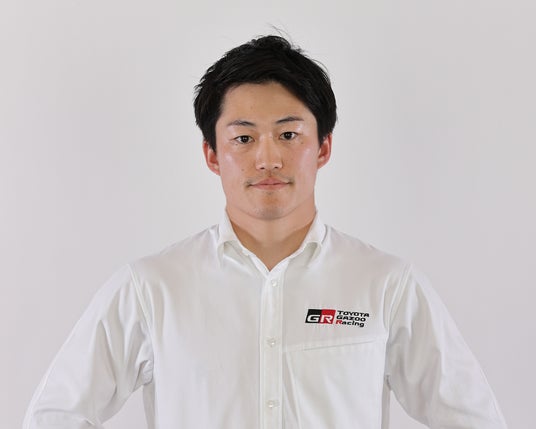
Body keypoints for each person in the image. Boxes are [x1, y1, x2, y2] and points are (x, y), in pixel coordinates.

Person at [24, 35, 507, 429]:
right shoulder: (152, 288)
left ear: (323, 147)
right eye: (244, 137)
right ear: (212, 154)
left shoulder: (386, 284)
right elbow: (55, 415)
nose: (268, 158)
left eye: (289, 134)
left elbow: (473, 418)